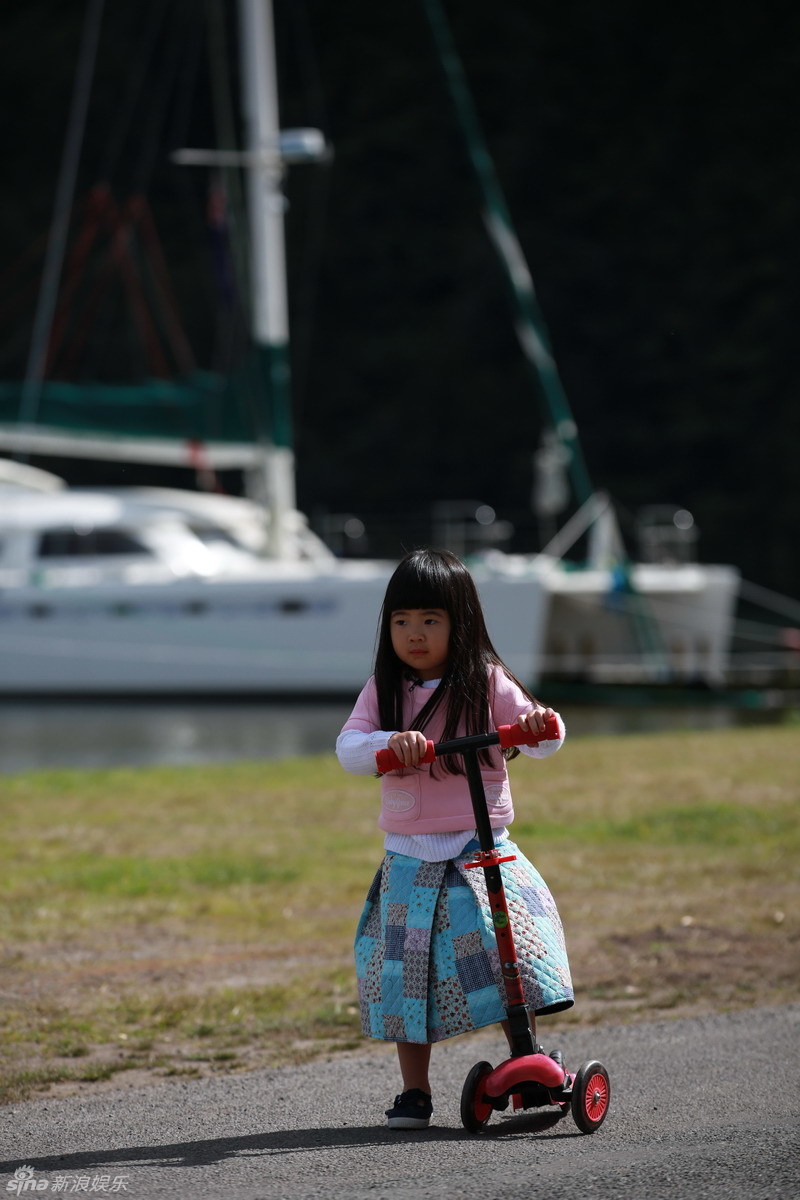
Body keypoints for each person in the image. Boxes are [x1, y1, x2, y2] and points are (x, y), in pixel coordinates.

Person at [336, 548, 574, 1130]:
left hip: (479, 847)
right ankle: (414, 1091)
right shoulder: (384, 690)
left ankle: (527, 1056)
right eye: (402, 621)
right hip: (409, 857)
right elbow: (349, 749)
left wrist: (539, 724)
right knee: (405, 970)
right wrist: (390, 743)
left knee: (510, 952)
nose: (414, 634)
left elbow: (545, 736)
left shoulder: (486, 681)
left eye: (430, 620)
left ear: (459, 623)